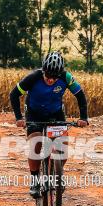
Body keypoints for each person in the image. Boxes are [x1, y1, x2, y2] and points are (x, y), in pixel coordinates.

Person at [9, 51, 89, 198]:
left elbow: (80, 95)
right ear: (43, 70)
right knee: (36, 142)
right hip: (34, 113)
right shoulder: (33, 77)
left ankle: (56, 174)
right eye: (48, 76)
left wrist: (84, 117)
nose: (51, 80)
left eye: (54, 77)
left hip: (55, 113)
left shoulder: (66, 77)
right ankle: (34, 180)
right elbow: (14, 94)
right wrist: (19, 118)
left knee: (62, 148)